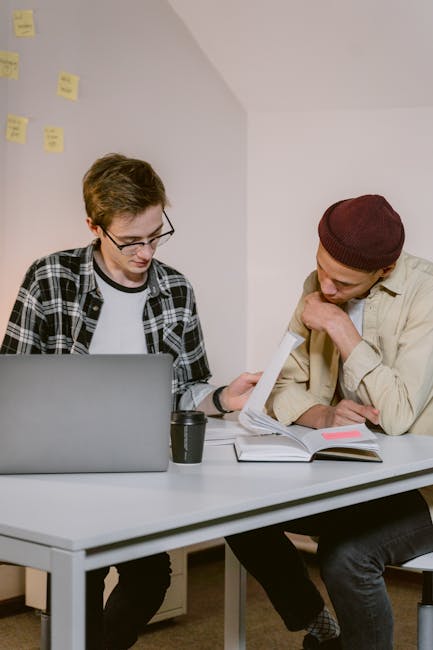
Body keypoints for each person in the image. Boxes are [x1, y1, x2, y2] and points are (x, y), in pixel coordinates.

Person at [1, 152, 260, 650]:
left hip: (141, 468)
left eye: (157, 234)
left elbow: (188, 388)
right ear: (94, 227)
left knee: (149, 578)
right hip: (64, 470)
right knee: (81, 580)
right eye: (132, 240)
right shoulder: (50, 277)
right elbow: (10, 380)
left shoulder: (176, 289)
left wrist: (224, 397)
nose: (147, 251)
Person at [226, 194, 433, 650]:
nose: (326, 286)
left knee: (346, 556)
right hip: (345, 473)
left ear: (384, 270)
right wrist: (322, 413)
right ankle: (316, 624)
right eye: (320, 269)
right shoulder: (319, 283)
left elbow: (397, 416)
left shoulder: (426, 294)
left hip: (418, 490)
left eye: (342, 282)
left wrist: (340, 327)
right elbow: (281, 385)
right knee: (235, 513)